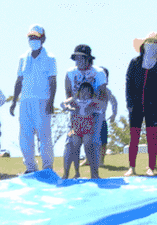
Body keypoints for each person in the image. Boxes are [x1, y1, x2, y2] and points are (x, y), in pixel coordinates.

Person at [9, 24, 57, 174]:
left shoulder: (50, 58)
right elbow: (19, 80)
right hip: (25, 101)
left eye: (35, 37)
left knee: (44, 135)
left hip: (43, 100)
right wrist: (14, 101)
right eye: (30, 37)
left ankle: (47, 167)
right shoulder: (22, 58)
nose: (32, 40)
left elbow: (53, 81)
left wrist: (51, 102)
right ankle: (30, 167)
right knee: (25, 136)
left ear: (43, 38)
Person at [125, 32, 157, 177]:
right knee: (134, 137)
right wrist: (130, 102)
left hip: (154, 106)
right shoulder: (135, 62)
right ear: (144, 45)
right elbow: (129, 83)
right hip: (136, 105)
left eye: (156, 43)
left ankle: (151, 166)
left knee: (152, 137)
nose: (152, 45)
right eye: (150, 42)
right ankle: (131, 167)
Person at [63, 45, 108, 179]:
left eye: (81, 57)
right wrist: (73, 108)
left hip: (94, 115)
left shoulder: (98, 72)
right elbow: (68, 93)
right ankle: (66, 174)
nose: (78, 60)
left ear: (88, 58)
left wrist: (93, 108)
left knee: (93, 143)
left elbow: (102, 93)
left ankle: (95, 174)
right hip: (76, 115)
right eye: (76, 57)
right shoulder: (70, 72)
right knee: (70, 142)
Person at [62, 83, 101, 179]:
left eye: (88, 91)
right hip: (75, 129)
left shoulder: (92, 101)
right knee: (75, 148)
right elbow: (63, 104)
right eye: (83, 91)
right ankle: (76, 172)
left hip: (87, 129)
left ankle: (93, 172)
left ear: (91, 93)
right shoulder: (75, 101)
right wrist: (70, 105)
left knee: (88, 147)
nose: (85, 93)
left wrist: (92, 105)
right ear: (79, 92)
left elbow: (101, 105)